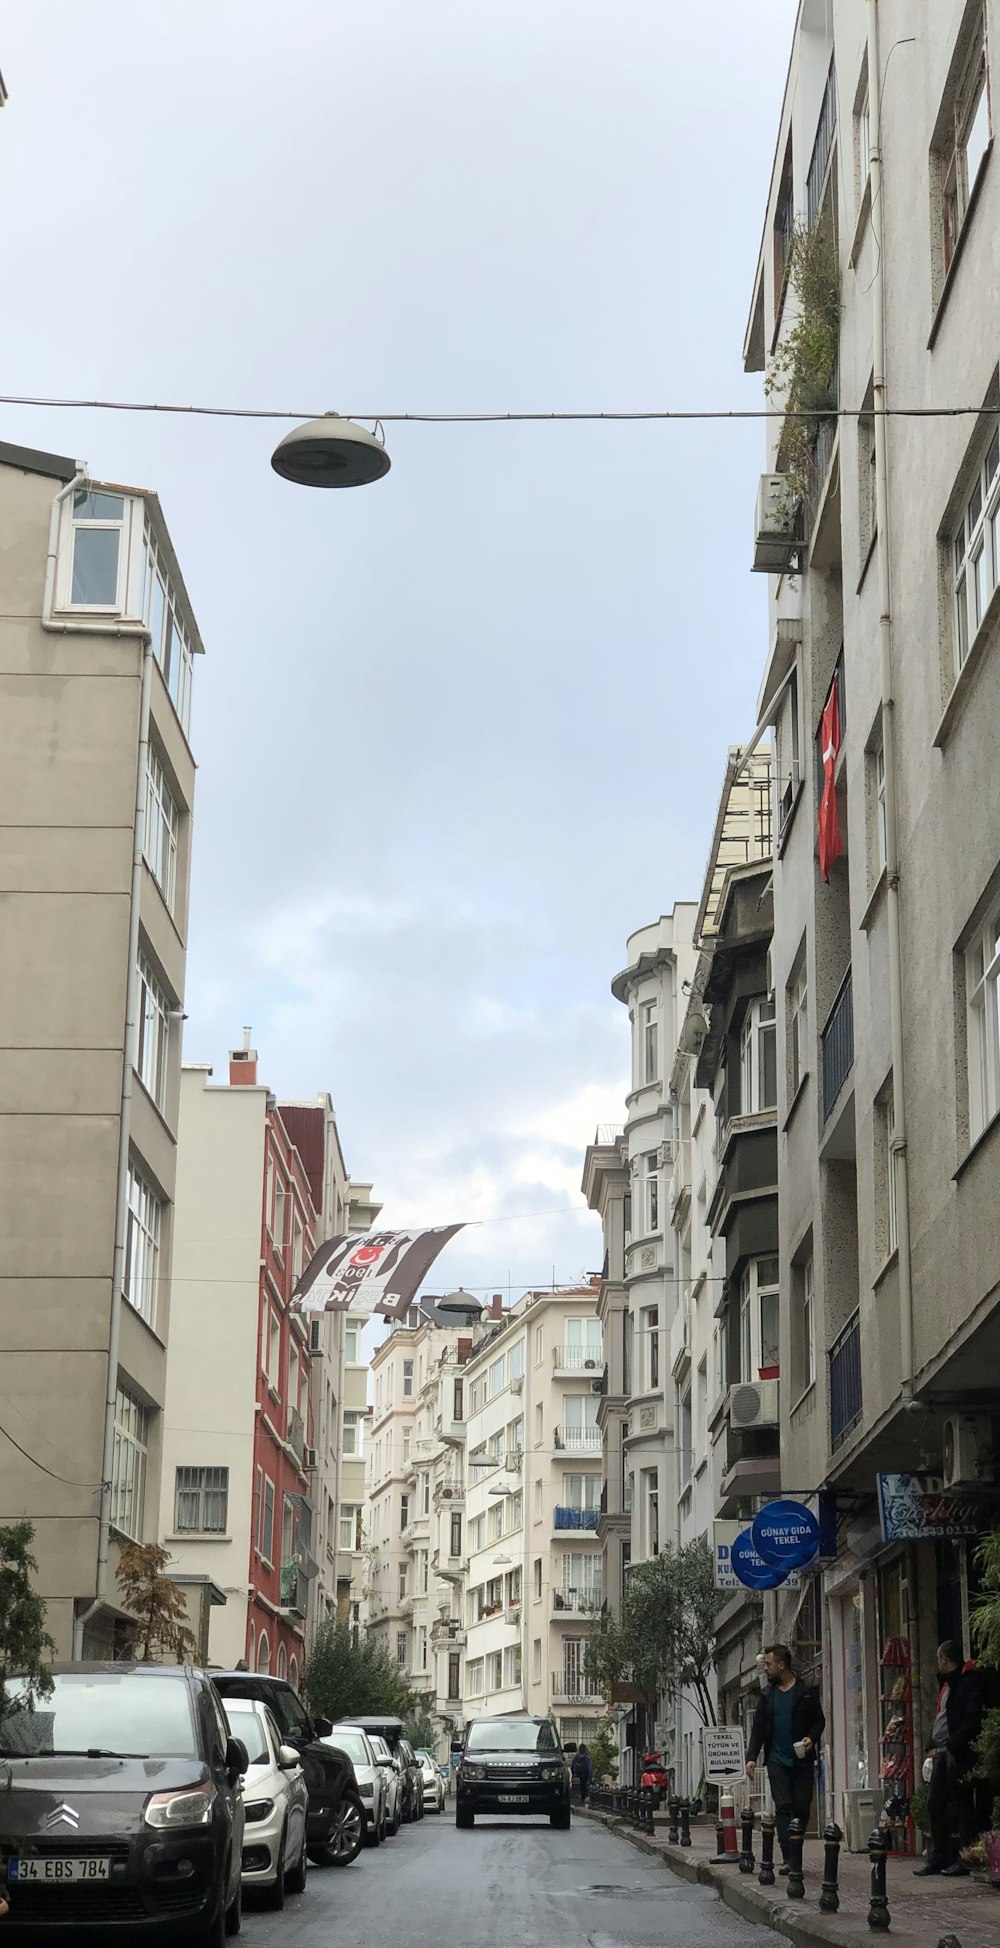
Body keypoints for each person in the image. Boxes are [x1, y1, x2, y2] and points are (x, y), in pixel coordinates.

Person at [746, 1643, 825, 1872]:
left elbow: (819, 1721)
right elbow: (758, 1728)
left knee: (801, 1808)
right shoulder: (766, 1695)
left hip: (801, 1760)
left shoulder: (805, 1692)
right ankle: (788, 1857)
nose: (765, 1669)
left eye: (768, 1665)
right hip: (776, 1759)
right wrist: (752, 1757)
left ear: (782, 1665)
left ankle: (797, 1855)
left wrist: (811, 1738)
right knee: (783, 1806)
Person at [913, 1640, 985, 1877]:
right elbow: (942, 1718)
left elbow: (969, 1720)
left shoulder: (967, 1682)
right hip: (943, 1751)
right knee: (935, 1803)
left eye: (939, 1659)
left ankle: (966, 1857)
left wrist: (953, 1746)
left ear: (945, 1659)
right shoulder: (949, 1685)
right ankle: (941, 1855)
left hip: (958, 1753)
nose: (938, 1664)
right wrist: (931, 1744)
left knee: (963, 1804)